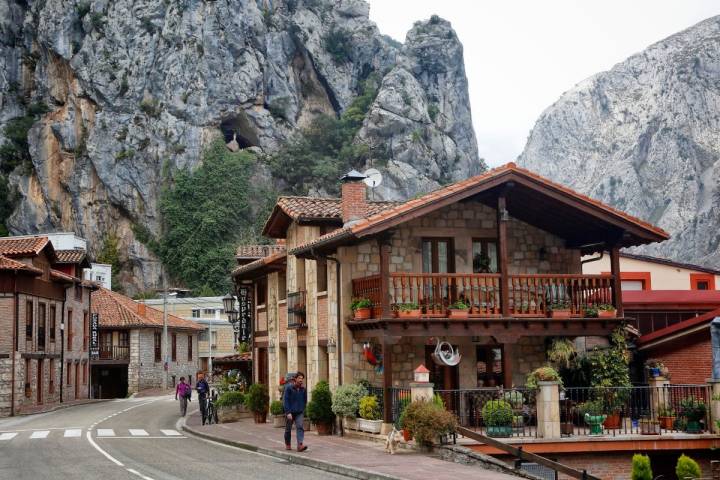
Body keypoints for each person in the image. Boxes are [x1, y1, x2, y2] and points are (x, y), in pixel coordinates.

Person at [283, 371, 308, 452]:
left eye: (302, 378)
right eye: (299, 378)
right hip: (290, 412)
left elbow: (305, 400)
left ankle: (300, 445)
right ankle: (288, 443)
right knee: (288, 429)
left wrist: (302, 408)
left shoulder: (303, 389)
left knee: (300, 426)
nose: (301, 380)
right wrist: (288, 412)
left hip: (299, 412)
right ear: (295, 379)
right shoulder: (289, 388)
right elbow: (286, 401)